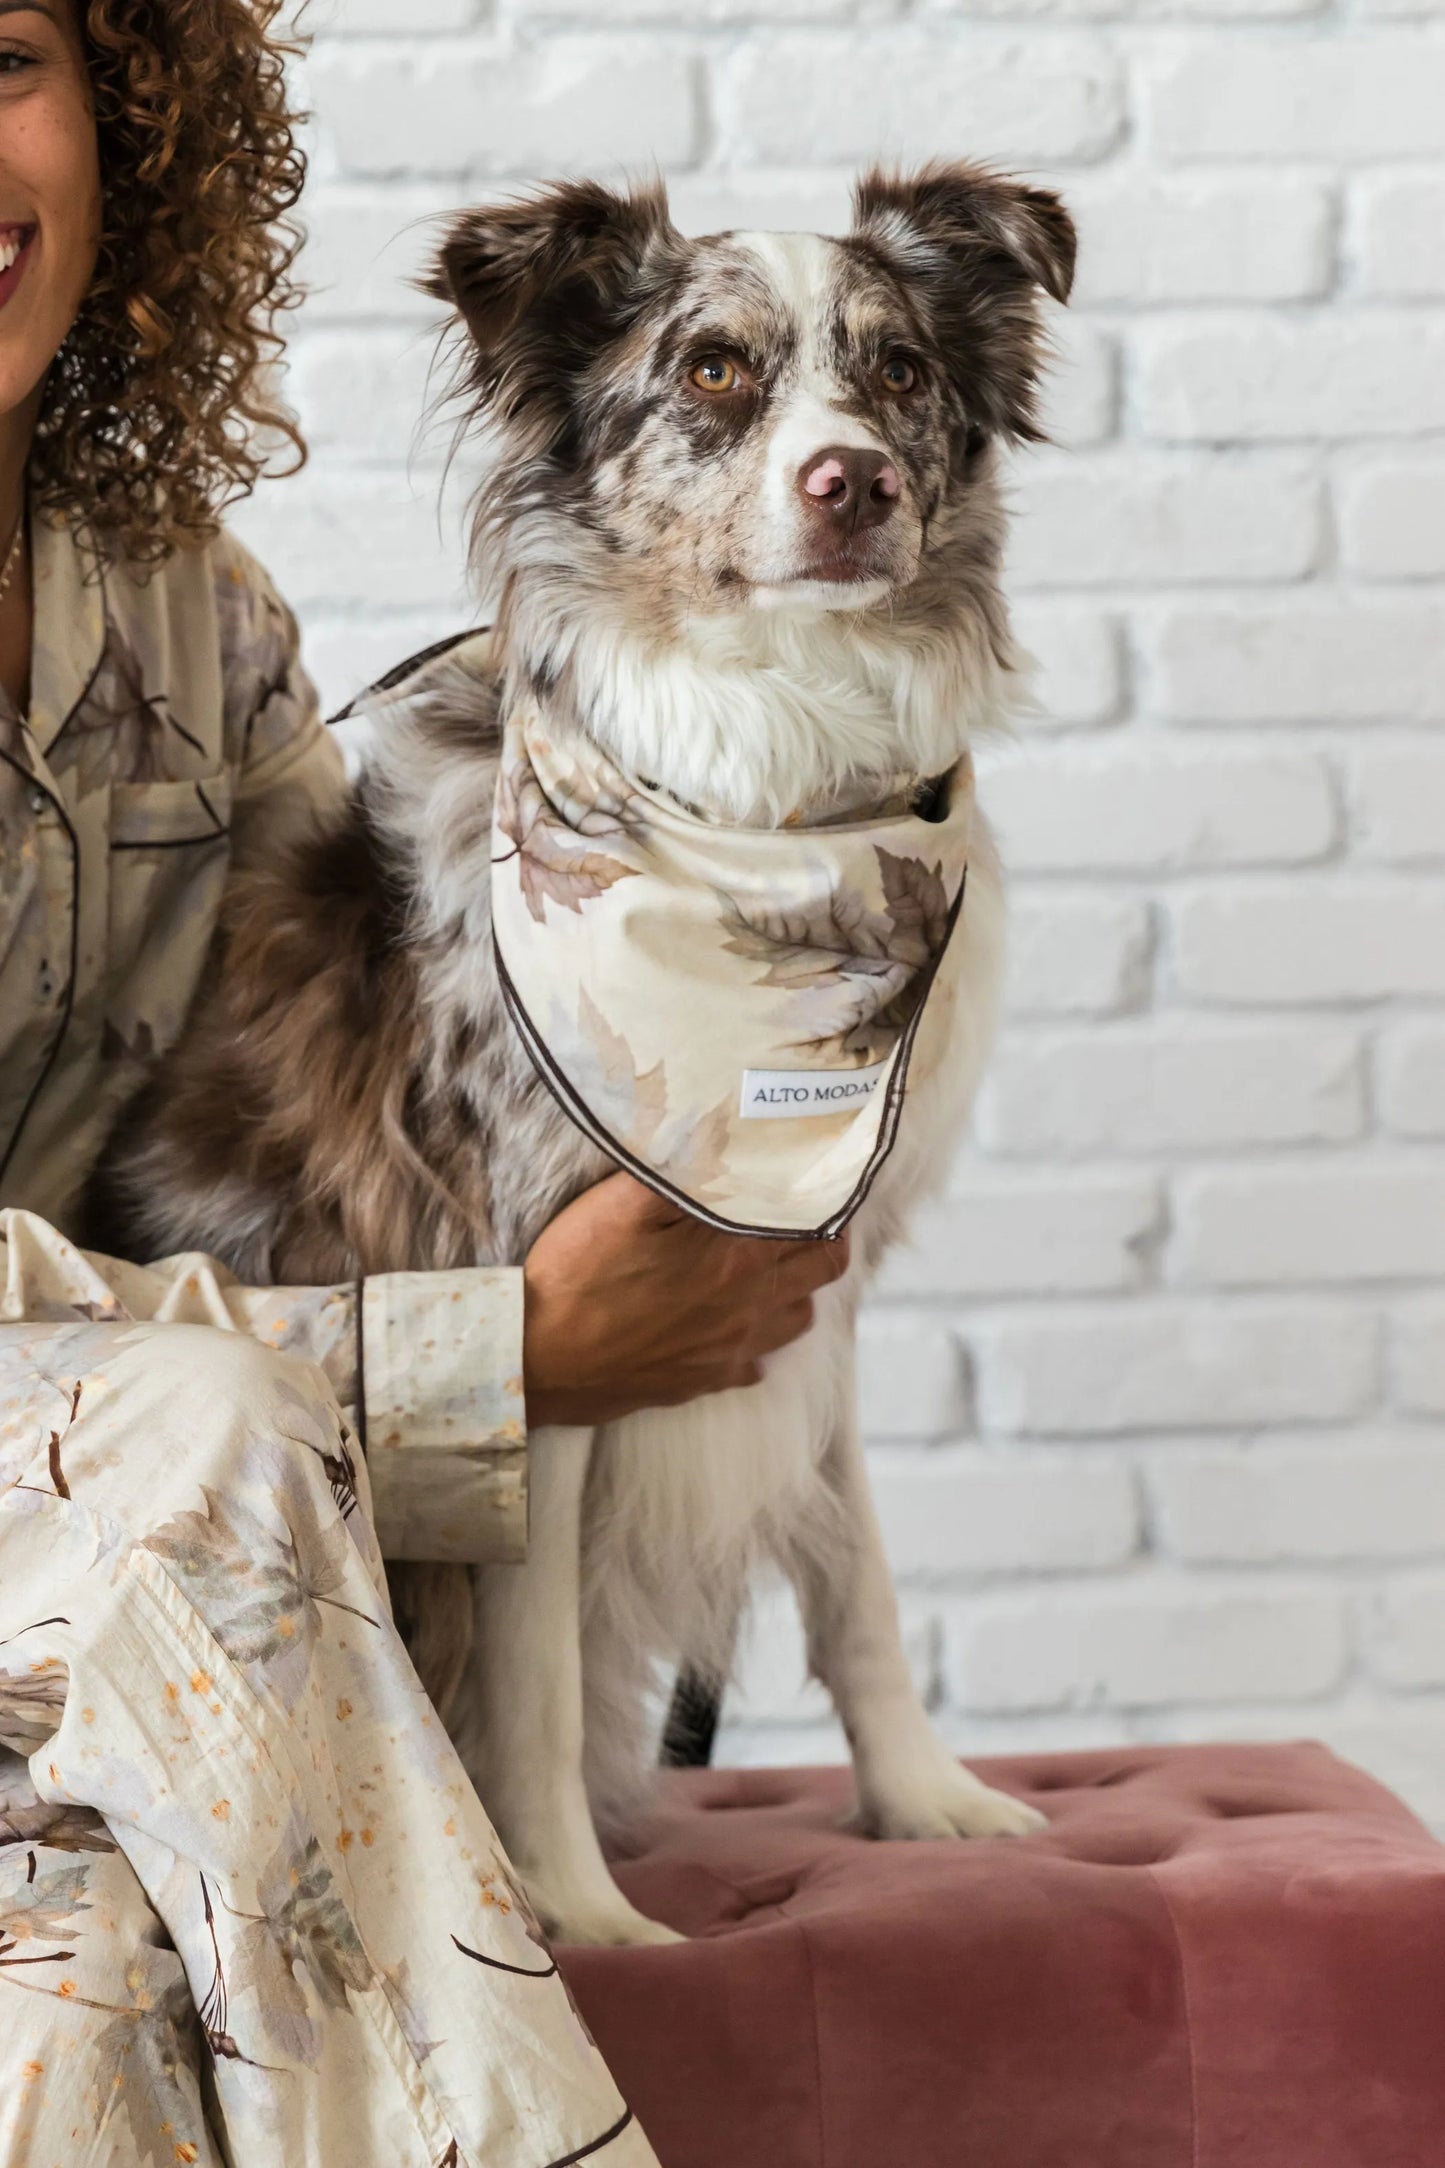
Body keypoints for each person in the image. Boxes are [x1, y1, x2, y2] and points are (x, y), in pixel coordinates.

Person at [0, 5, 846, 2162]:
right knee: (203, 1423)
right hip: (159, 1489)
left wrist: (710, 758)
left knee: (82, 1971)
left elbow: (357, 1043)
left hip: (107, 1611)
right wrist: (498, 1356)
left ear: (128, 124)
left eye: (1, 57)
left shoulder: (185, 612)